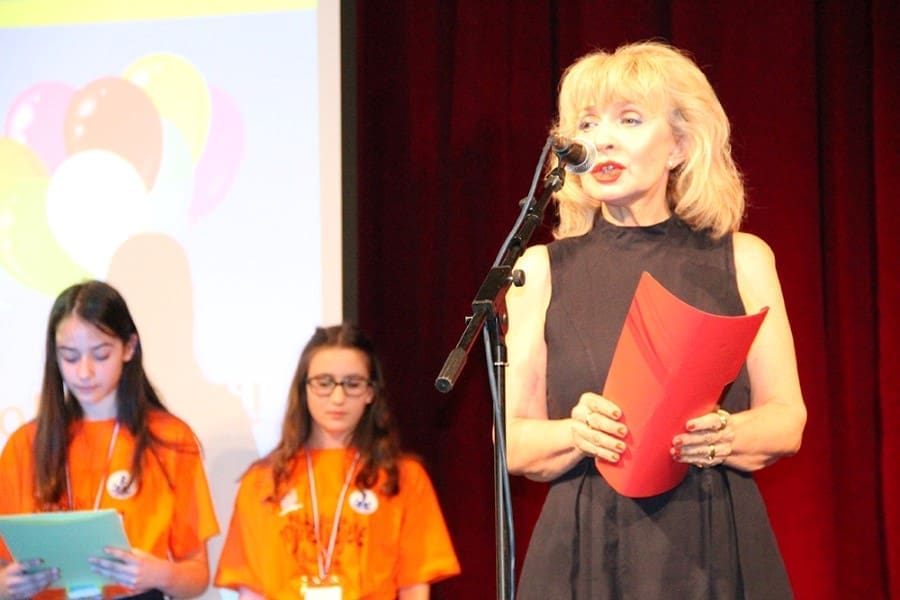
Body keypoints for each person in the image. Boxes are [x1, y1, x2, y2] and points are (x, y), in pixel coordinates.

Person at [504, 41, 807, 599]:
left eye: (629, 119)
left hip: (712, 542)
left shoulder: (743, 259)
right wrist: (576, 433)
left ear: (680, 146)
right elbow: (516, 443)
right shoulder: (539, 270)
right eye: (587, 124)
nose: (602, 140)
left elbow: (787, 421)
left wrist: (726, 434)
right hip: (586, 550)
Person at [0, 280, 219, 599]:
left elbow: (197, 576)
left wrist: (159, 574)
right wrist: (7, 586)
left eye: (101, 355)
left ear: (129, 348)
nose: (84, 373)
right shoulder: (25, 445)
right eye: (70, 357)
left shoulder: (170, 439)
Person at [215, 323, 461, 599]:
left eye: (352, 384)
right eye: (324, 383)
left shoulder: (404, 477)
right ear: (304, 389)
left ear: (370, 392)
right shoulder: (263, 480)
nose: (338, 397)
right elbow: (251, 590)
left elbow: (414, 587)